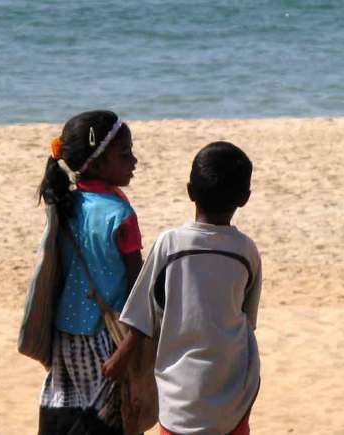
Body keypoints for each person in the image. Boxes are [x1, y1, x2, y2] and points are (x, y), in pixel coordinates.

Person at [103, 141, 262, 435]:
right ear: (245, 198)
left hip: (180, 396)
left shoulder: (170, 244)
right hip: (233, 391)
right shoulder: (246, 250)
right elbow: (247, 320)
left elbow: (142, 313)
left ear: (190, 191)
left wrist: (120, 359)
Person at [36, 110, 143, 435]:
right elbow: (140, 288)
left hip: (65, 335)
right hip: (108, 340)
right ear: (96, 164)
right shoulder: (120, 214)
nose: (134, 160)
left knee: (65, 419)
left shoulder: (66, 203)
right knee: (108, 424)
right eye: (124, 155)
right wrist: (128, 350)